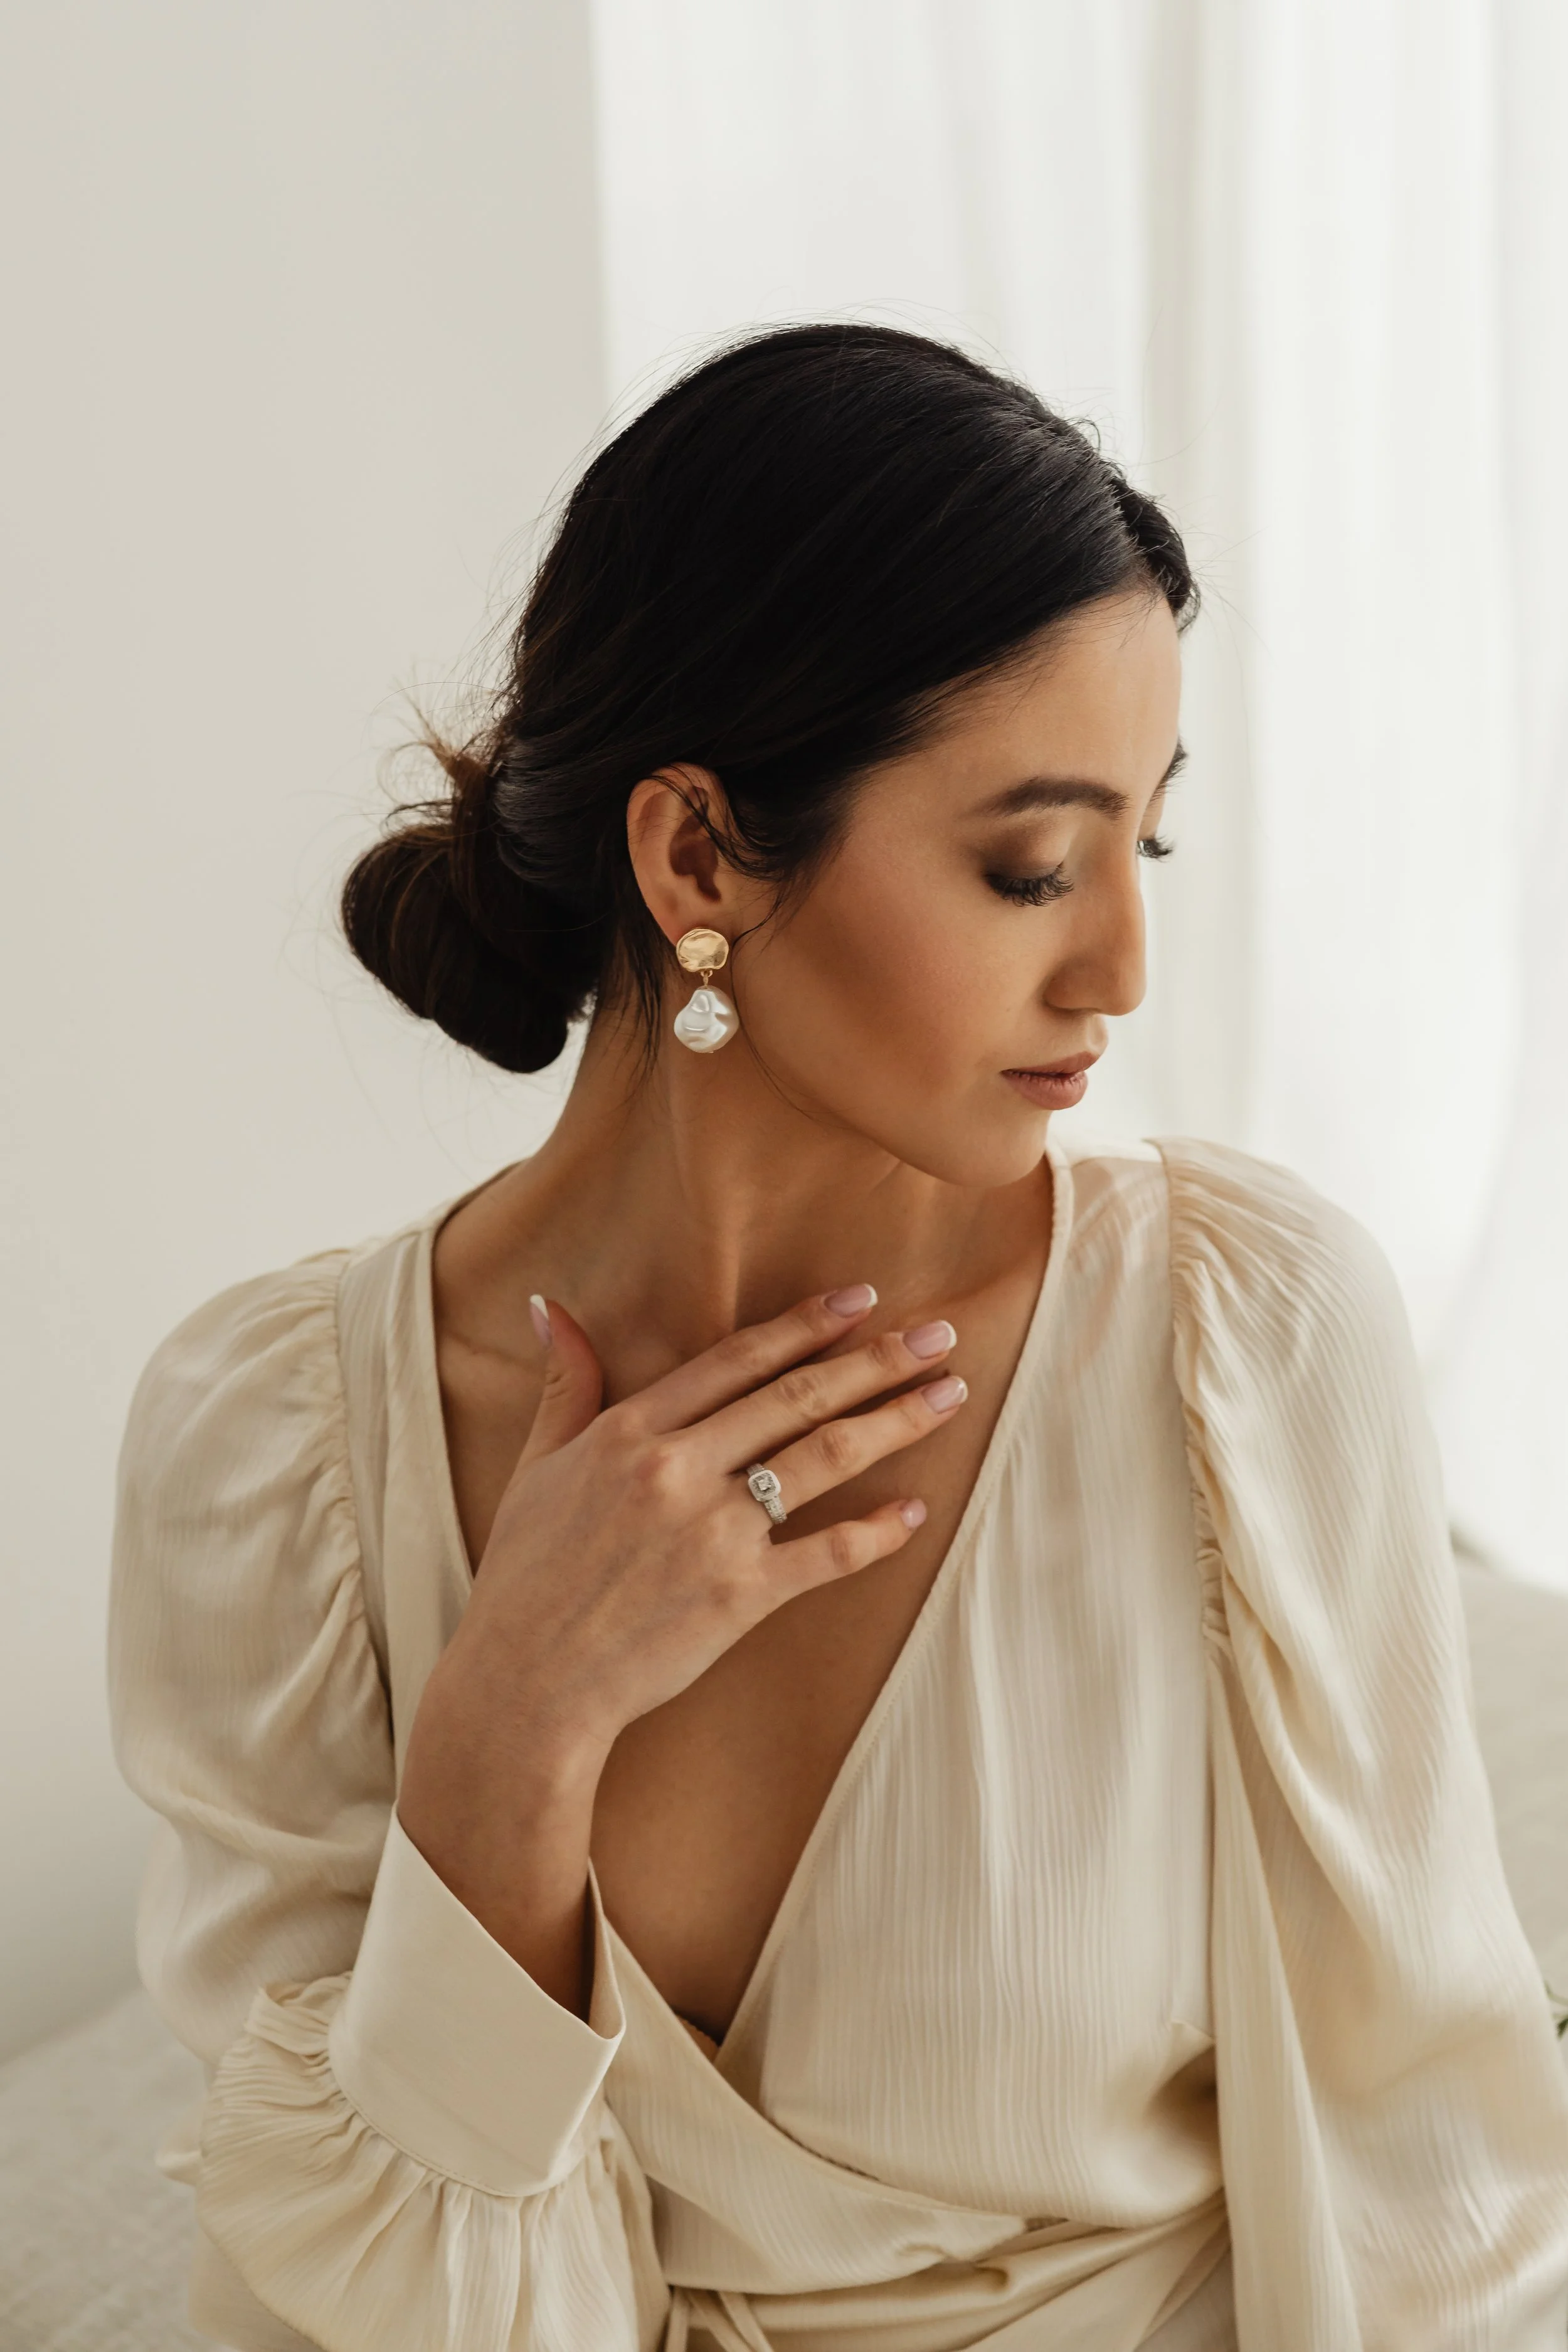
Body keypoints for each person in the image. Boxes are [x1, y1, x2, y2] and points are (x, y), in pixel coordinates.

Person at [108, 325, 1568, 2352]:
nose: (1120, 964)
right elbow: (350, 2297)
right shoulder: (272, 1451)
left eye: (1139, 847)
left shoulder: (1238, 1333)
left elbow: (1435, 2188)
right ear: (697, 855)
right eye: (1029, 865)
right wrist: (508, 1736)